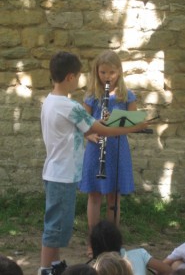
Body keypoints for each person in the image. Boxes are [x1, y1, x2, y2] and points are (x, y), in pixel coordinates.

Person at [39, 51, 149, 275]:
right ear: (71, 77)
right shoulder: (71, 106)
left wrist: (100, 126)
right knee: (57, 225)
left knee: (59, 223)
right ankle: (45, 268)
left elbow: (86, 125)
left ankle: (55, 265)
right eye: (79, 76)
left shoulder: (51, 101)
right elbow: (96, 128)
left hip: (61, 170)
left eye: (112, 72)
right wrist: (134, 127)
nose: (107, 76)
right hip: (64, 171)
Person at [79, 50, 142, 257]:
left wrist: (117, 122)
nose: (107, 77)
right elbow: (82, 124)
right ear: (96, 72)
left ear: (119, 72)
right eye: (103, 72)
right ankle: (93, 243)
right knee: (95, 195)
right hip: (96, 147)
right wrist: (90, 135)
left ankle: (113, 243)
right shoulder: (91, 95)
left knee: (114, 197)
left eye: (111, 73)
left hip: (116, 148)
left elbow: (134, 121)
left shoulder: (126, 95)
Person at [90, 220, 172, 275]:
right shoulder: (139, 254)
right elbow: (168, 270)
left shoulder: (98, 268)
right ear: (119, 239)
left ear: (94, 247)